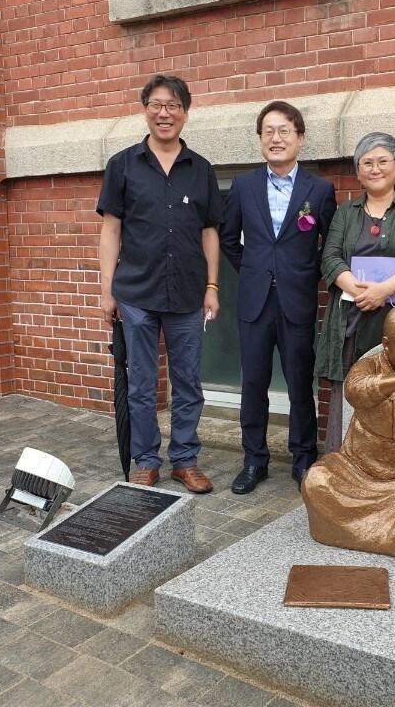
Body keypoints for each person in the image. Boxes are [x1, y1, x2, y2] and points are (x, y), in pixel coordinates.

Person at [97, 74, 222, 494]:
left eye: (173, 105)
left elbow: (209, 232)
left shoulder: (201, 169)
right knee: (142, 383)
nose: (164, 113)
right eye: (157, 104)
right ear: (146, 109)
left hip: (188, 294)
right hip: (136, 294)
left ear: (185, 112)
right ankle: (146, 459)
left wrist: (212, 287)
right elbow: (111, 231)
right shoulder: (123, 165)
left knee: (188, 382)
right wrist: (107, 289)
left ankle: (184, 459)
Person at [220, 101, 336, 493]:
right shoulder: (243, 186)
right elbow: (228, 240)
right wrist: (255, 271)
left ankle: (304, 458)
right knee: (253, 382)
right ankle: (254, 460)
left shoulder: (319, 190)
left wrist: (304, 273)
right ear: (259, 140)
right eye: (268, 131)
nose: (276, 138)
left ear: (299, 138)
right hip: (254, 301)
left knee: (300, 382)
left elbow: (330, 243)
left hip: (298, 299)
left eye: (284, 130)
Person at [302, 304, 395, 559]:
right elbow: (357, 391)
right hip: (356, 470)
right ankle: (360, 533)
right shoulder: (367, 367)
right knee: (315, 481)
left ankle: (358, 532)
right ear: (386, 344)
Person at [315, 132, 395, 454]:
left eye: (383, 161)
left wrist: (382, 290)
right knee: (353, 384)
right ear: (358, 171)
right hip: (351, 315)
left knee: (394, 388)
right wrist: (357, 289)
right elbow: (330, 256)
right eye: (366, 162)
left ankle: (388, 462)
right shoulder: (346, 212)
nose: (375, 168)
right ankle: (342, 458)